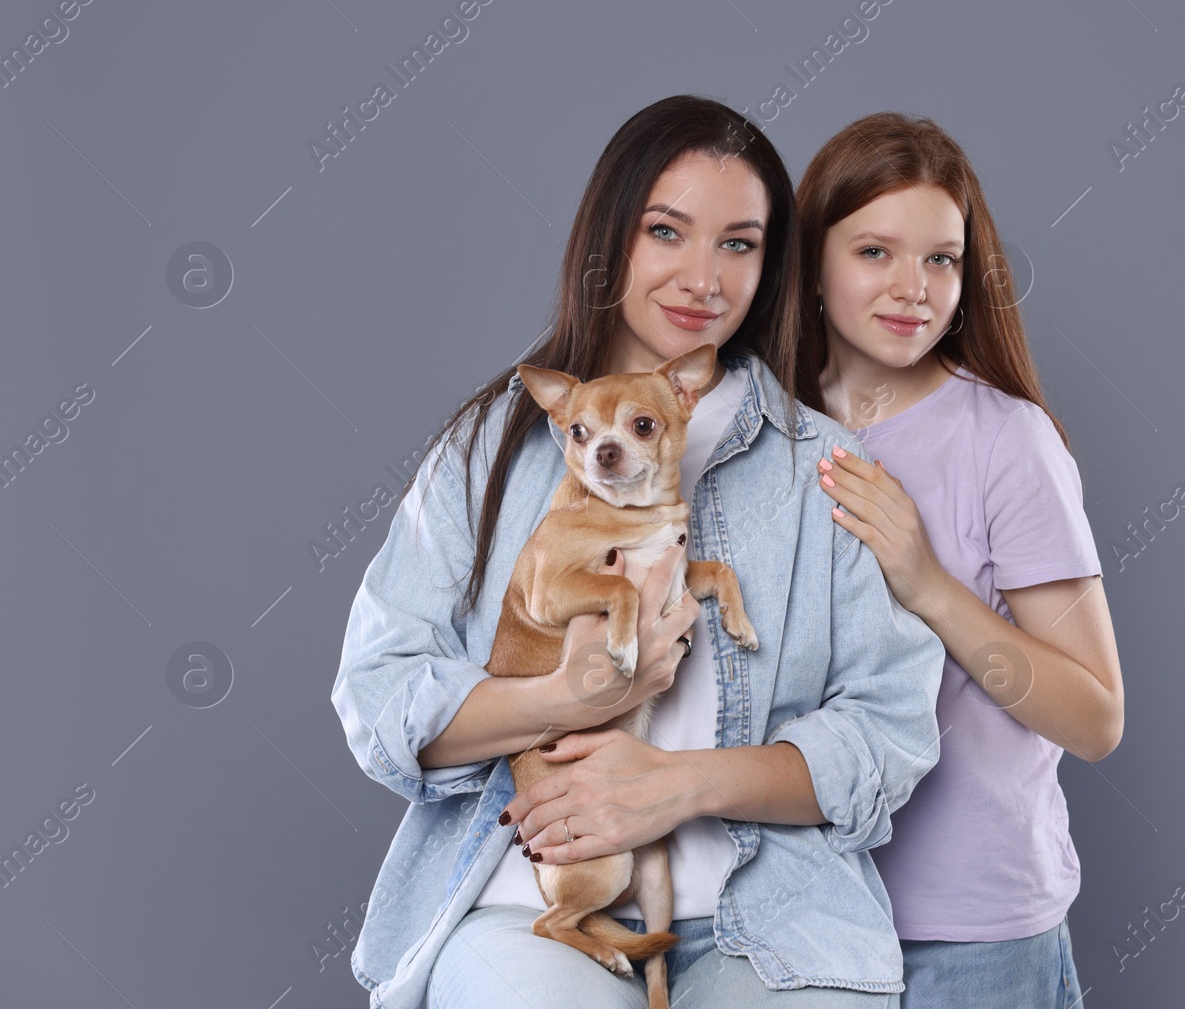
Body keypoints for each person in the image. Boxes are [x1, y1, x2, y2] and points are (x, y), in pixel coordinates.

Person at [330, 95, 946, 1009]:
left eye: (738, 243)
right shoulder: (488, 446)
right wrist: (565, 697)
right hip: (525, 895)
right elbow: (380, 697)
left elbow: (889, 729)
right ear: (612, 237)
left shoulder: (825, 469)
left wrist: (676, 786)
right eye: (669, 231)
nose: (702, 277)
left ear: (771, 265)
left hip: (779, 913)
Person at [793, 112, 1125, 1009]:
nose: (913, 288)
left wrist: (928, 583)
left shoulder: (1005, 441)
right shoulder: (763, 426)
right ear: (812, 262)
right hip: (801, 926)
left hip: (971, 938)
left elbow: (1095, 717)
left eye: (941, 258)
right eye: (875, 252)